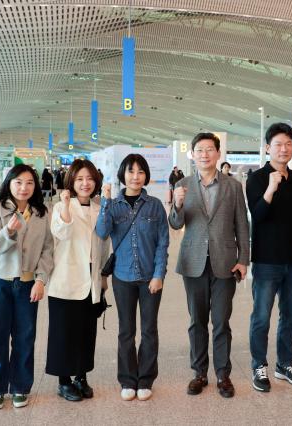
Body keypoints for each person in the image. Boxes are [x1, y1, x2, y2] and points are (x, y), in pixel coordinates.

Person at [169, 132, 249, 399]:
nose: (204, 154)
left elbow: (242, 225)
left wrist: (243, 259)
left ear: (217, 153)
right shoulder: (182, 184)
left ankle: (223, 375)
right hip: (193, 262)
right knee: (197, 321)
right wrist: (178, 204)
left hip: (225, 263)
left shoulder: (233, 186)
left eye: (209, 149)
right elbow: (176, 223)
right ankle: (199, 373)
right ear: (192, 154)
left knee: (221, 322)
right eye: (199, 150)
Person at [96, 154, 169, 402]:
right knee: (126, 331)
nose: (135, 176)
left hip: (150, 278)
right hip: (122, 277)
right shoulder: (114, 205)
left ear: (146, 176)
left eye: (140, 172)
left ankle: (145, 379)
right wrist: (105, 202)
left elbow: (162, 243)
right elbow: (102, 232)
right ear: (122, 175)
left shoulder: (155, 205)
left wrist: (159, 274)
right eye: (130, 171)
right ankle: (127, 379)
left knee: (149, 330)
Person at [0, 164, 53, 410]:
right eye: (19, 182)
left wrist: (41, 280)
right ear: (9, 183)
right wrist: (8, 231)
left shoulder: (41, 213)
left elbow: (47, 249)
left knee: (24, 337)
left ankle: (21, 387)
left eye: (30, 182)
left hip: (27, 283)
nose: (24, 187)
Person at [246, 123, 292, 393]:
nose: (284, 149)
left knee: (291, 316)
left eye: (288, 144)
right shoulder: (257, 178)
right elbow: (257, 217)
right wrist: (270, 189)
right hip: (266, 261)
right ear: (267, 148)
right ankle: (259, 365)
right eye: (278, 144)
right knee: (261, 316)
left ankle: (285, 363)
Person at [46, 159, 110, 402]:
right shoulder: (61, 206)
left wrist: (104, 276)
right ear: (71, 181)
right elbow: (61, 233)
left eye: (90, 179)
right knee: (63, 333)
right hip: (66, 278)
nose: (85, 183)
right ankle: (63, 381)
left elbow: (104, 244)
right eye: (80, 179)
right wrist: (64, 206)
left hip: (92, 279)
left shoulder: (98, 207)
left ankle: (81, 377)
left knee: (86, 332)